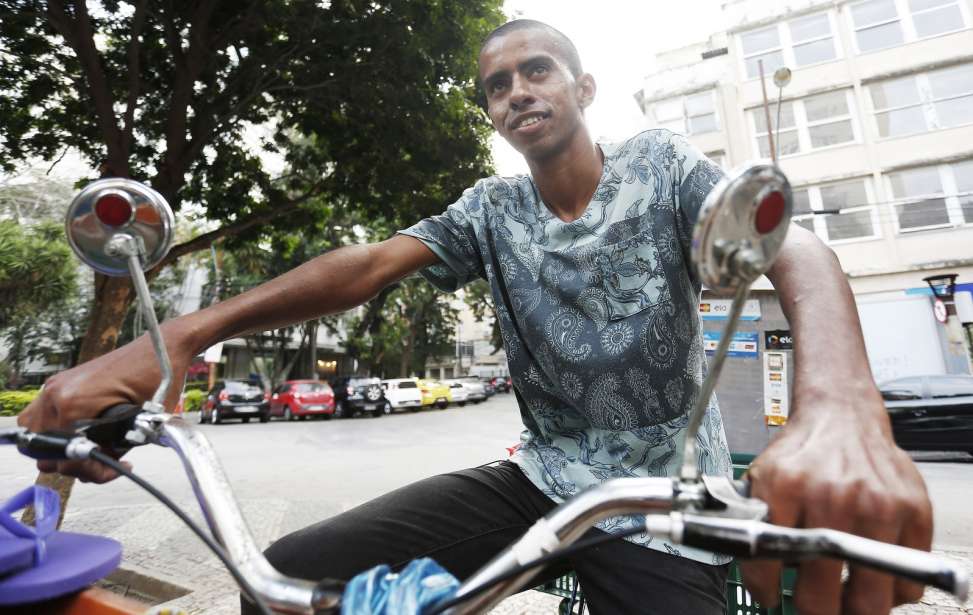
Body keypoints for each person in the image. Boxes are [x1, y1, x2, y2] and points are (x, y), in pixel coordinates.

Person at [19, 19, 932, 615]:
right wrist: (176, 335)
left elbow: (790, 245)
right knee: (290, 581)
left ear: (581, 88)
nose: (518, 92)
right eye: (498, 86)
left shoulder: (658, 163)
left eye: (536, 71)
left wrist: (841, 402)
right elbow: (369, 264)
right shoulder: (490, 208)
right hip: (538, 476)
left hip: (660, 493)